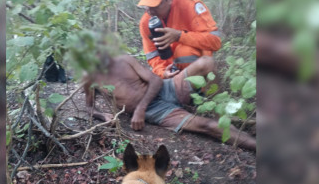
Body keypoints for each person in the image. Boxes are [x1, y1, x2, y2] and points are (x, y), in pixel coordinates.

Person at [84, 55, 256, 150]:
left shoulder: (124, 60)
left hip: (165, 88)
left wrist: (139, 109)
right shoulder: (89, 79)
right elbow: (88, 107)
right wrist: (103, 115)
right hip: (156, 110)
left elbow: (156, 81)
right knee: (209, 126)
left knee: (206, 62)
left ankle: (221, 115)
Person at [138, 0, 221, 80]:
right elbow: (152, 55)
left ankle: (198, 90)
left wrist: (179, 36)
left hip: (199, 67)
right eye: (147, 6)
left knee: (185, 52)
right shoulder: (146, 22)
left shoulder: (190, 5)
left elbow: (215, 42)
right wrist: (162, 72)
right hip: (170, 73)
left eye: (155, 5)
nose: (150, 11)